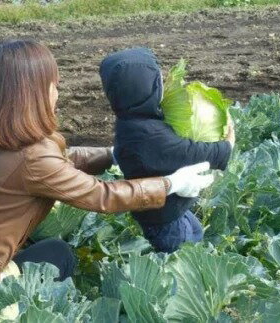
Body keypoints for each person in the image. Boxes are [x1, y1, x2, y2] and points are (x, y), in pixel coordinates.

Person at [0, 39, 216, 322]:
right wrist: (171, 184)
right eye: (53, 85)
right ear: (33, 94)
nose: (57, 93)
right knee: (50, 270)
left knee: (56, 255)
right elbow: (102, 196)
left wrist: (113, 153)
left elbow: (63, 162)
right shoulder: (32, 157)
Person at [99, 47, 236, 253]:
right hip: (164, 222)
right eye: (158, 81)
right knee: (178, 257)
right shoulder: (149, 135)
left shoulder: (135, 121)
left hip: (170, 210)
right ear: (146, 89)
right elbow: (188, 151)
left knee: (195, 235)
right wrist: (224, 148)